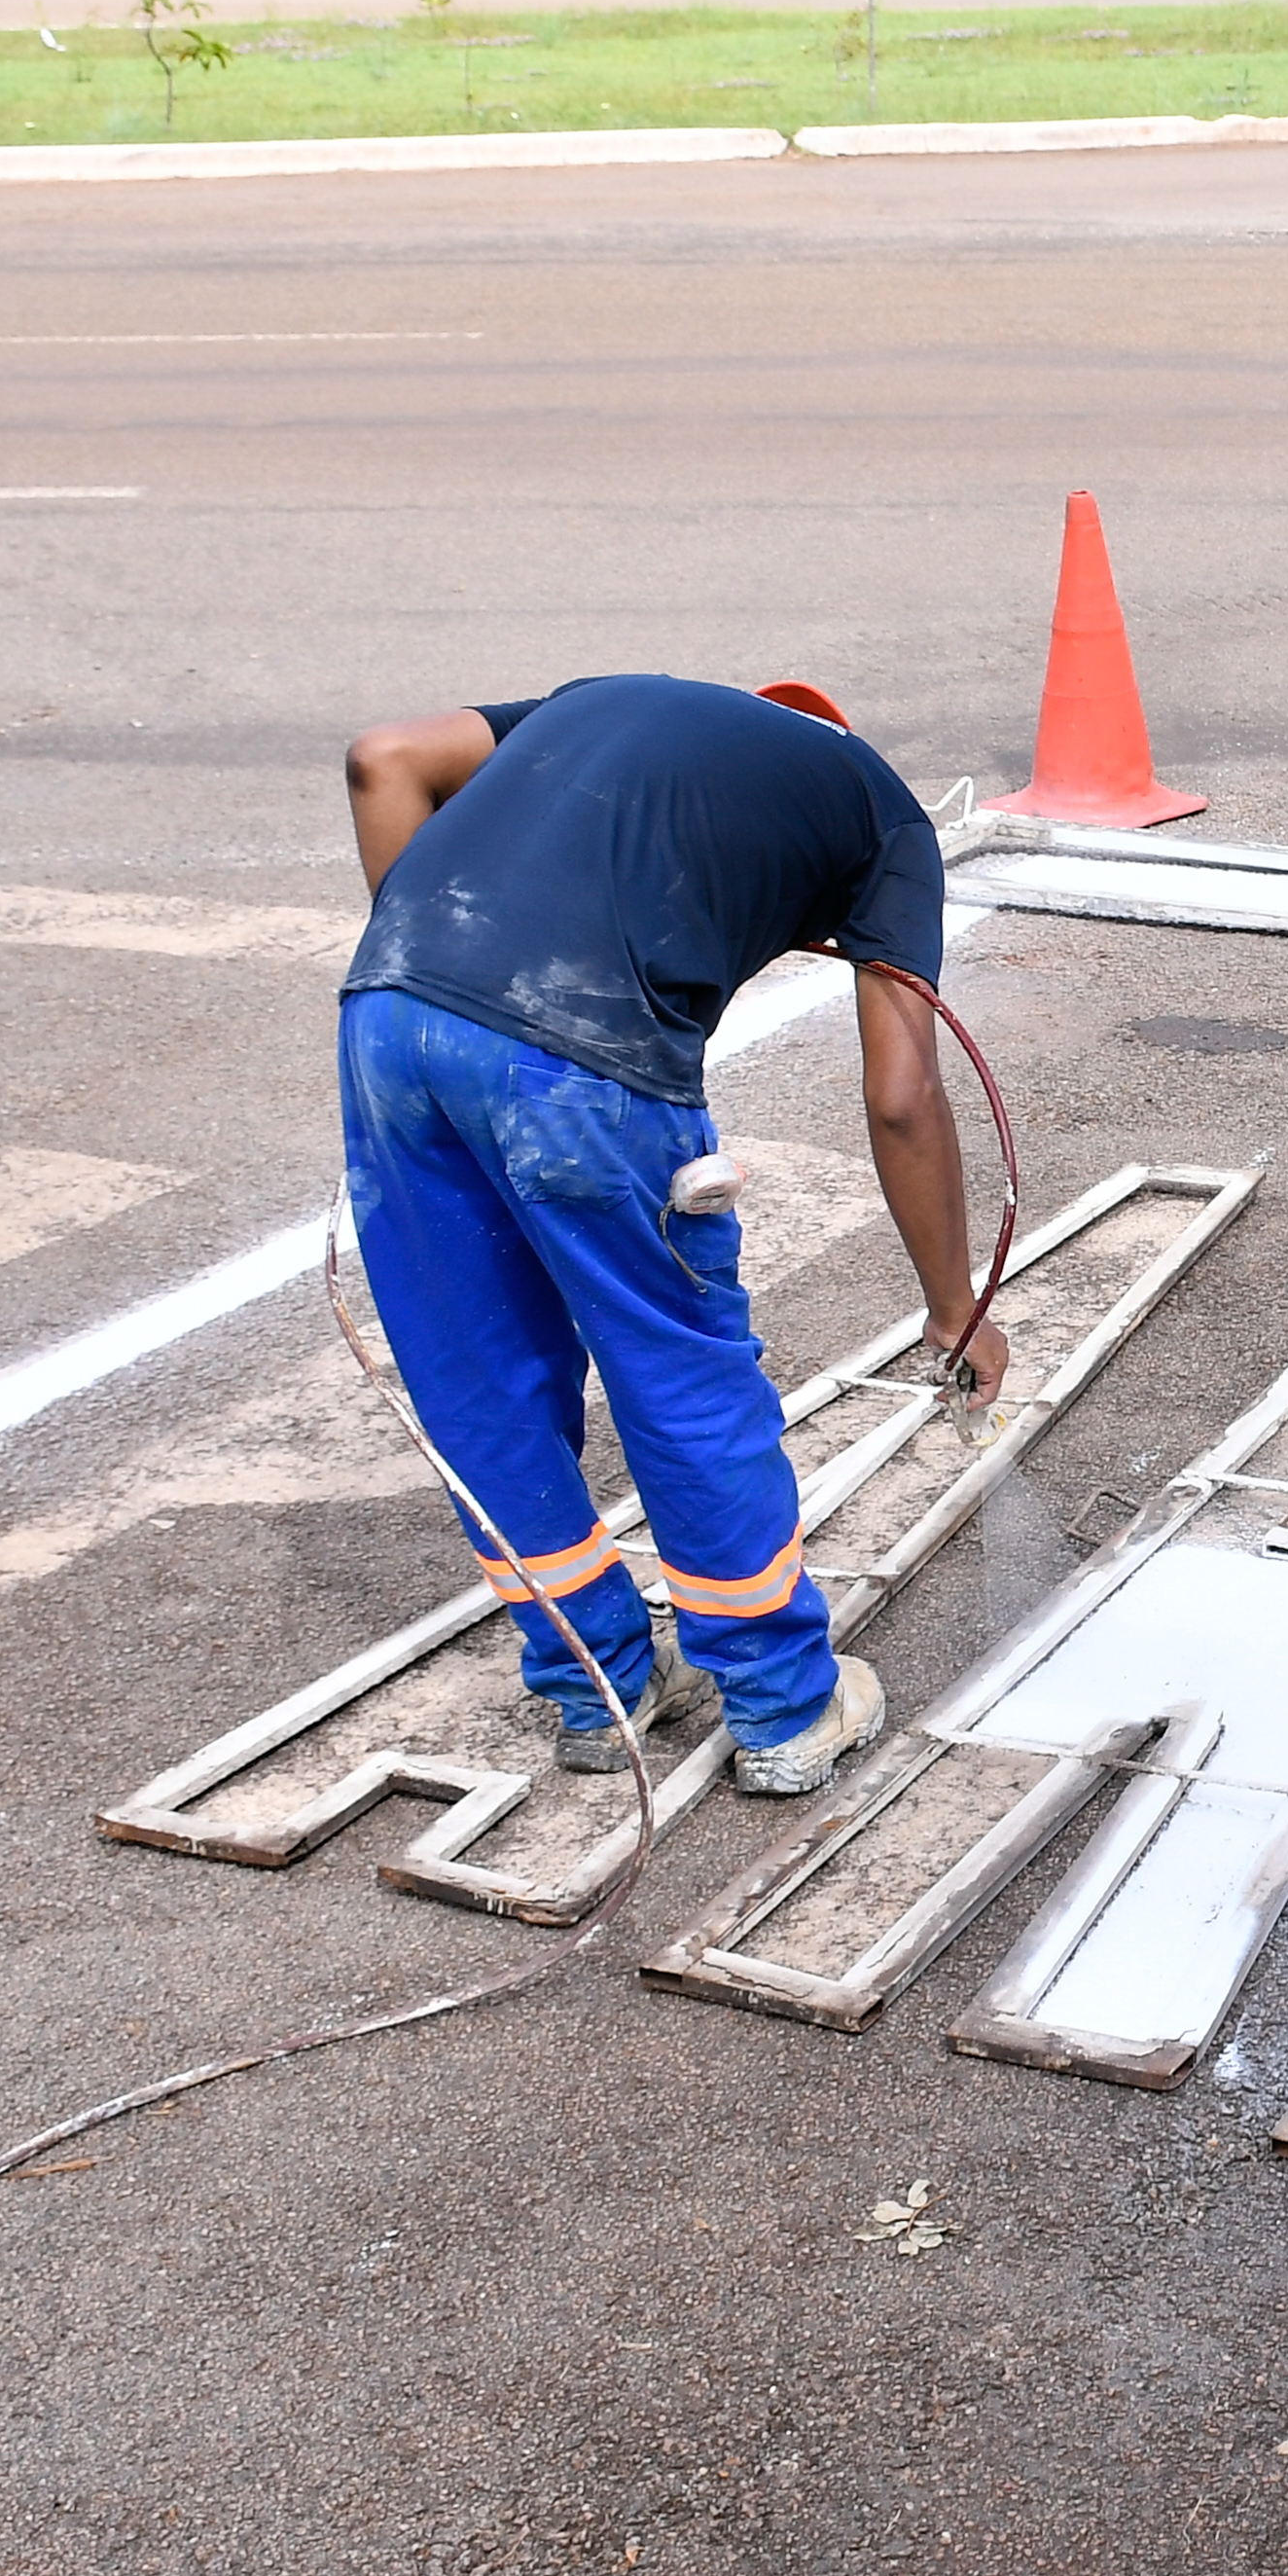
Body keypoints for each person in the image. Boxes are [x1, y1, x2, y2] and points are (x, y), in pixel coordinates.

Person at [334, 674, 1004, 1792]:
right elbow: (902, 1093)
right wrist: (955, 1306)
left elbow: (383, 756)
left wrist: (443, 997)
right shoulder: (881, 814)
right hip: (578, 1059)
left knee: (478, 1377)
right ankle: (787, 1707)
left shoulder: (610, 705)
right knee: (677, 1368)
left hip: (390, 1015)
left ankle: (597, 1688)